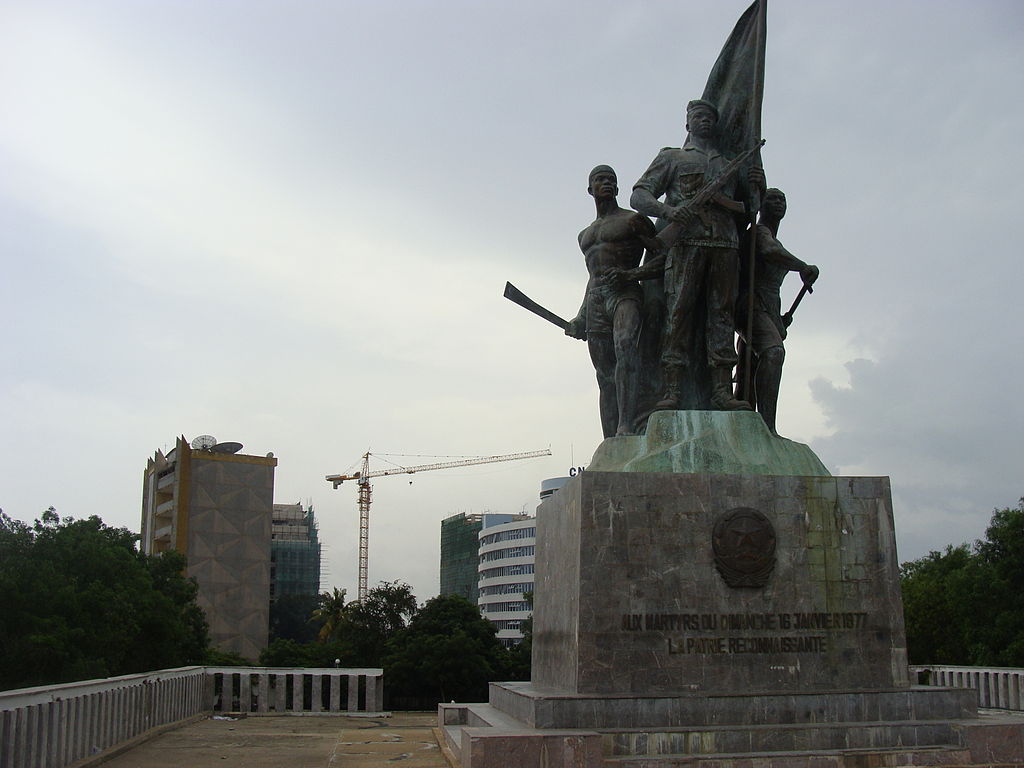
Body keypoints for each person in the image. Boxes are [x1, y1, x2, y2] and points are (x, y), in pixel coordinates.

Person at [631, 99, 764, 411]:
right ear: (687, 123)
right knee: (678, 314)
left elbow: (751, 207)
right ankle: (673, 388)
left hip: (725, 245)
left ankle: (722, 390)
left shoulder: (731, 161)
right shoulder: (672, 157)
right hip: (685, 244)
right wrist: (669, 211)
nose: (704, 121)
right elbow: (639, 195)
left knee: (722, 315)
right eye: (698, 116)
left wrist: (757, 184)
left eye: (709, 117)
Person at [565, 165, 663, 437]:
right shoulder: (584, 235)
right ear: (590, 189)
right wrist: (581, 316)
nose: (606, 183)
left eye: (611, 180)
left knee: (626, 346)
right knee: (604, 376)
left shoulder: (634, 221)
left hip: (626, 293)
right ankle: (611, 439)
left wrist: (632, 274)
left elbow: (664, 260)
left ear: (618, 188)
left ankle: (627, 426)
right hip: (596, 301)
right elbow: (592, 277)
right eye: (600, 179)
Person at [735, 188, 818, 436]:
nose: (779, 203)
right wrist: (802, 267)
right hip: (750, 304)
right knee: (773, 353)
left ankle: (755, 422)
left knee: (752, 367)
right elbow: (770, 251)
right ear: (760, 204)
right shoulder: (759, 234)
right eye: (772, 198)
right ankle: (767, 427)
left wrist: (779, 321)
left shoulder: (772, 237)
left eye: (783, 199)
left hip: (768, 309)